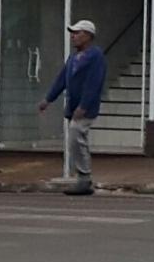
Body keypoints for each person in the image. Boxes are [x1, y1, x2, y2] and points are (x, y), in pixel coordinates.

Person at [38, 20, 107, 196]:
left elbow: (94, 83)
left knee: (76, 137)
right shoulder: (73, 57)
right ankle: (82, 177)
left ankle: (84, 177)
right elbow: (62, 79)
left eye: (78, 33)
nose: (73, 36)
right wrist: (48, 99)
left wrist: (84, 105)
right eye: (73, 33)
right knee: (75, 140)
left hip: (85, 108)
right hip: (73, 106)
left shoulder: (95, 56)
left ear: (88, 36)